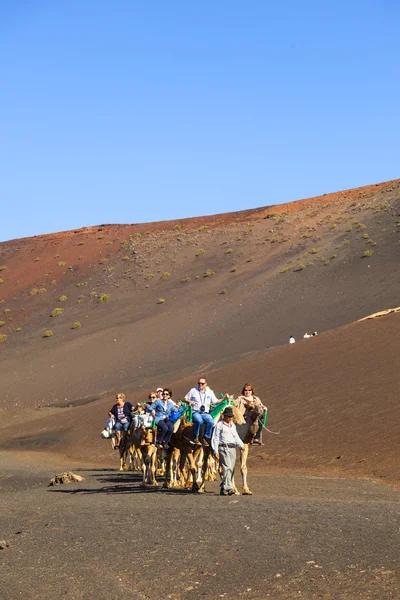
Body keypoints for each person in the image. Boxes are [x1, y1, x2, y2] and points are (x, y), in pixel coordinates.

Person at [211, 406, 243, 496]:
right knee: (227, 467)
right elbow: (215, 438)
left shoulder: (233, 426)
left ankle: (223, 487)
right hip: (223, 447)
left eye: (231, 417)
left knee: (231, 469)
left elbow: (236, 436)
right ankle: (229, 488)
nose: (229, 418)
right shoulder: (219, 425)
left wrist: (241, 445)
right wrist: (215, 450)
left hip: (232, 448)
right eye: (228, 416)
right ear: (224, 416)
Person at [184, 377, 221, 446]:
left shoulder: (210, 392)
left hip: (205, 413)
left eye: (202, 383)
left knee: (211, 421)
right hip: (195, 411)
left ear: (206, 384)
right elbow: (185, 398)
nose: (200, 385)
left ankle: (206, 437)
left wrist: (224, 398)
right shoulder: (193, 390)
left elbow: (215, 401)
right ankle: (195, 436)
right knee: (199, 420)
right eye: (199, 383)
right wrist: (190, 401)